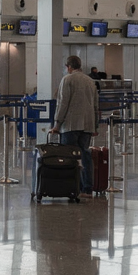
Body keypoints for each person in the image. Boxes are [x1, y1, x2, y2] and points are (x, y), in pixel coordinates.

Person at [48, 55, 99, 196]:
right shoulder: (90, 81)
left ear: (68, 67)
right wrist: (95, 126)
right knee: (85, 155)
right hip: (87, 125)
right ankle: (87, 188)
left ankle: (72, 186)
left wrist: (57, 124)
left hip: (70, 125)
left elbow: (63, 103)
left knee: (69, 157)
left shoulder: (67, 79)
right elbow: (95, 105)